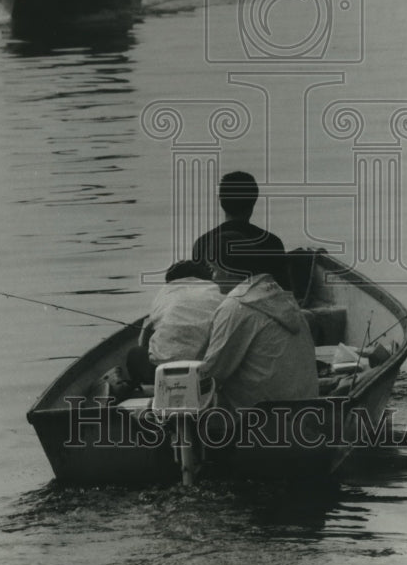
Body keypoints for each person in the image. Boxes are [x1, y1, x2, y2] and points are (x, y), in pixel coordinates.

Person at [199, 267, 319, 412]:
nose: (213, 277)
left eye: (214, 269)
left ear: (229, 270)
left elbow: (210, 376)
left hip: (261, 423)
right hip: (306, 415)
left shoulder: (235, 307)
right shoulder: (283, 297)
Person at [126, 260, 224, 386]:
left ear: (169, 281)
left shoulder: (165, 293)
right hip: (205, 372)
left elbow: (146, 334)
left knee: (135, 353)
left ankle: (147, 389)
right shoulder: (219, 291)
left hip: (162, 372)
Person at [191, 171, 289, 290]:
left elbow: (199, 292)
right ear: (254, 200)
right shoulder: (272, 243)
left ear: (221, 200)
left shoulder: (202, 243)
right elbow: (283, 291)